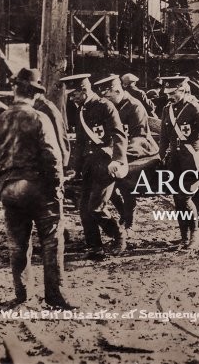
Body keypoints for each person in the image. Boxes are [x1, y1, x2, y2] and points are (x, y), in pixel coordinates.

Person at [0, 68, 75, 309]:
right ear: (35, 94)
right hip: (36, 187)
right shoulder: (39, 118)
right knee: (52, 239)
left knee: (18, 243)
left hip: (8, 187)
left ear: (15, 91)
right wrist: (57, 186)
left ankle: (22, 294)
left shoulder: (0, 119)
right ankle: (55, 297)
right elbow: (52, 157)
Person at [60, 73, 128, 259]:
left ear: (84, 90)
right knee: (84, 211)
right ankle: (95, 247)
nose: (71, 98)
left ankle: (119, 235)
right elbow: (81, 143)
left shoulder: (105, 106)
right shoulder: (81, 109)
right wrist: (75, 167)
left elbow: (118, 135)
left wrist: (118, 159)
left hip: (106, 165)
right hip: (89, 166)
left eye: (73, 94)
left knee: (96, 207)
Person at [159, 76, 199, 250]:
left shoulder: (194, 108)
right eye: (168, 93)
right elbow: (164, 136)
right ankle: (184, 238)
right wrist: (161, 155)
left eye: (173, 93)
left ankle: (195, 233)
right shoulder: (167, 109)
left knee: (184, 197)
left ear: (183, 89)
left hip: (194, 160)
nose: (170, 96)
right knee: (177, 200)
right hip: (176, 162)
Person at [94, 75, 159, 234]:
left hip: (140, 150)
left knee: (120, 176)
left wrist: (117, 152)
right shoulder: (108, 106)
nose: (106, 99)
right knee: (102, 173)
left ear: (117, 90)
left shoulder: (134, 106)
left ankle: (128, 216)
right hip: (118, 149)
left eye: (108, 95)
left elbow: (139, 137)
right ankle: (123, 212)